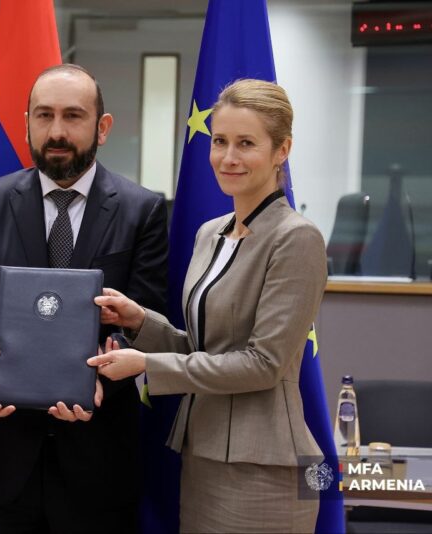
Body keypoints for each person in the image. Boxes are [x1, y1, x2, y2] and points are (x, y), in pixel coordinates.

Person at [88, 79, 326, 533]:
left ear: (282, 150)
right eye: (219, 141)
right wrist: (140, 322)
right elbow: (208, 349)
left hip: (265, 470)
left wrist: (146, 364)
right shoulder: (209, 233)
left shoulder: (297, 238)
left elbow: (263, 364)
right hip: (203, 454)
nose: (228, 157)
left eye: (246, 143)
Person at [0, 64, 169, 534]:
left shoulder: (142, 210)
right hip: (1, 459)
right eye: (44, 115)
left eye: (73, 116)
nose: (56, 132)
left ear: (102, 127)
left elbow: (146, 319)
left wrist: (98, 380)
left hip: (99, 462)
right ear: (27, 122)